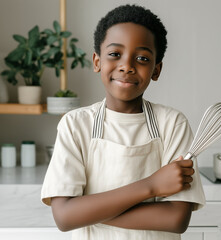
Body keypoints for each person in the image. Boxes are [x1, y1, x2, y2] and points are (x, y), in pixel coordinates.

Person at [41, 4, 205, 240]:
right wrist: (152, 185)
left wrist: (86, 211)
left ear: (156, 70)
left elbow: (176, 219)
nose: (127, 66)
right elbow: (65, 218)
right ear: (97, 61)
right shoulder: (75, 124)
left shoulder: (172, 124)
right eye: (115, 54)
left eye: (142, 58)